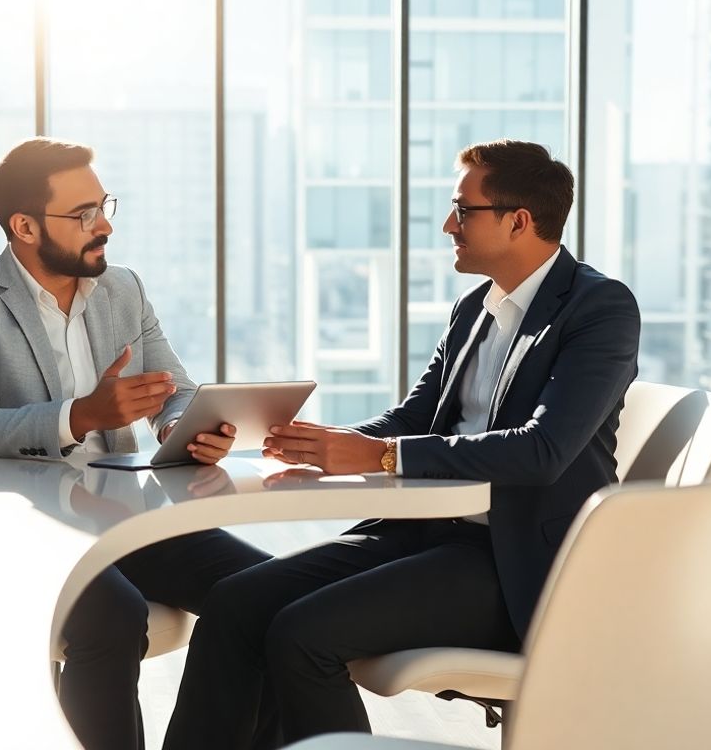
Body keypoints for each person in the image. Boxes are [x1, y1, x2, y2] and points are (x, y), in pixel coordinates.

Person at [164, 139, 641, 748]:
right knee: (236, 604)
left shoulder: (598, 308)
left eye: (463, 210)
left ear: (519, 220)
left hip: (513, 560)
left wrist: (383, 457)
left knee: (301, 635)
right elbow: (418, 415)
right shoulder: (475, 307)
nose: (449, 225)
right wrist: (321, 443)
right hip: (421, 532)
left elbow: (542, 450)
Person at [0, 137, 270, 750]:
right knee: (113, 616)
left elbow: (177, 390)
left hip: (125, 513)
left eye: (103, 205)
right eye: (83, 214)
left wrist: (178, 427)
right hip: (30, 526)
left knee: (267, 592)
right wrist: (79, 416)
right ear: (24, 226)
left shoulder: (122, 289)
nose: (104, 224)